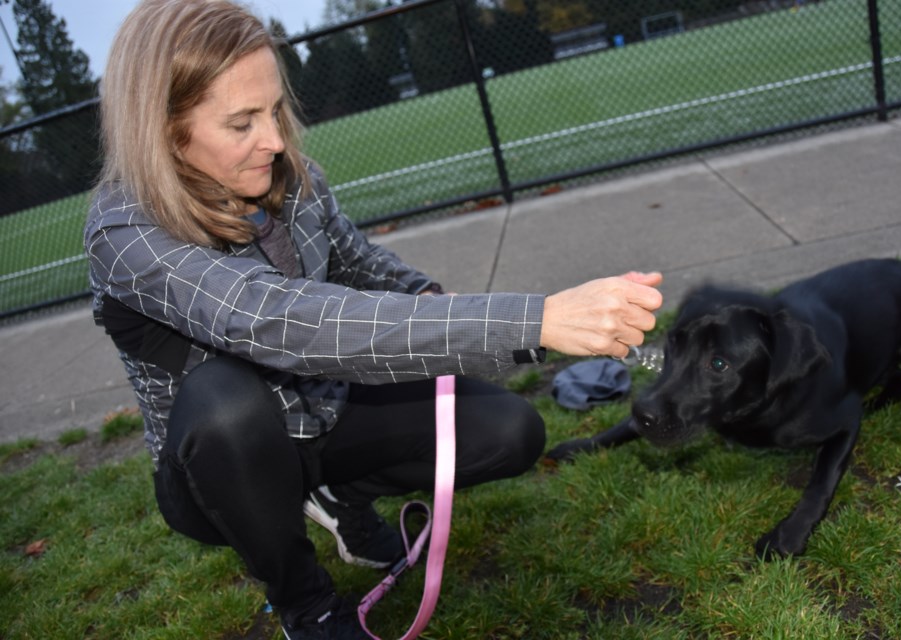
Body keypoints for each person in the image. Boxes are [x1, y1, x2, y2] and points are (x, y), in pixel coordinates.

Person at [83, 1, 663, 638]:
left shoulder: (292, 177)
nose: (275, 140)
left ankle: (340, 498)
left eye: (274, 110)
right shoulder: (125, 232)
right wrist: (535, 321)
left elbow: (362, 269)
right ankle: (308, 606)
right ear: (165, 130)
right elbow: (283, 320)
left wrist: (439, 301)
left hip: (324, 419)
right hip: (224, 463)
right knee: (226, 403)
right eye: (242, 121)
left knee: (510, 430)